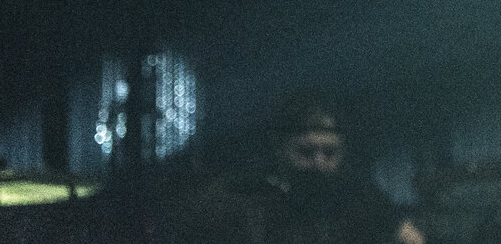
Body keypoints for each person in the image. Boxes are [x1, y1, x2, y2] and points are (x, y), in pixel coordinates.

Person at [170, 92, 423, 244]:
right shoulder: (238, 198)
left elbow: (408, 236)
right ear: (280, 148)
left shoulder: (362, 199)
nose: (319, 163)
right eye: (305, 152)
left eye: (329, 152)